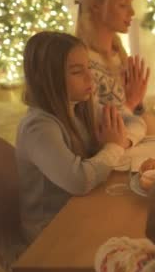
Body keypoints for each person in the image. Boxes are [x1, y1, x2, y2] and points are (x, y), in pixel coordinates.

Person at [16, 31, 127, 247]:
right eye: (77, 72)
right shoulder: (38, 128)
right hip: (51, 234)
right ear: (47, 79)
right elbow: (79, 181)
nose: (90, 78)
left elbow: (133, 122)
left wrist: (122, 140)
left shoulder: (80, 105)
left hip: (83, 209)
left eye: (89, 68)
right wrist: (114, 145)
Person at [76, 0, 148, 147]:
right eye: (122, 5)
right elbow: (96, 135)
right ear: (96, 7)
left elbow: (133, 119)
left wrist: (137, 102)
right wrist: (131, 103)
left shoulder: (118, 55)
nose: (132, 12)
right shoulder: (81, 64)